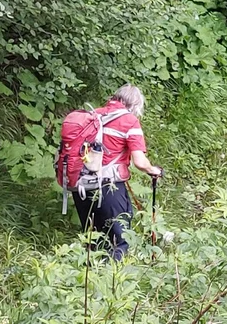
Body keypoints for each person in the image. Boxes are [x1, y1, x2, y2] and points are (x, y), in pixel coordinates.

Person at [64, 85, 161, 261]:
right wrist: (152, 170)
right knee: (118, 240)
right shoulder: (129, 121)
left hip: (80, 184)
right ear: (134, 104)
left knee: (92, 236)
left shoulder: (93, 115)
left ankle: (88, 274)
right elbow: (139, 161)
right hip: (109, 186)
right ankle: (111, 279)